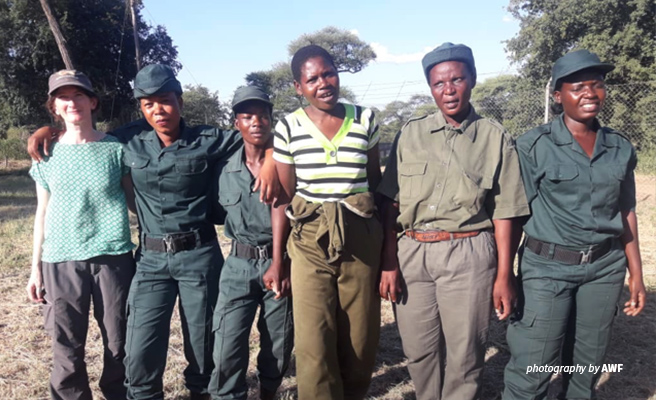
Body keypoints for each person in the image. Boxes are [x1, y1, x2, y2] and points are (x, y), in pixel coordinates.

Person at [27, 64, 278, 400]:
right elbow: (81, 133)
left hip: (199, 257)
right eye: (148, 104)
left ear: (181, 102)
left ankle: (200, 393)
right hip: (150, 261)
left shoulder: (210, 139)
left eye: (165, 100)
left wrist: (275, 154)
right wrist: (46, 130)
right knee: (140, 348)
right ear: (140, 108)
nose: (158, 110)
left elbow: (255, 133)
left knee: (203, 345)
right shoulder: (126, 139)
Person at [377, 42, 530, 400]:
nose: (448, 90)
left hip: (468, 252)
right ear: (430, 88)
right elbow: (390, 203)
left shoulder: (494, 137)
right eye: (438, 84)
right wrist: (389, 262)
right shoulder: (410, 134)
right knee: (418, 350)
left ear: (472, 80)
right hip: (412, 253)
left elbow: (506, 211)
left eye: (457, 79)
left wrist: (504, 275)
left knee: (466, 354)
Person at [502, 49, 647, 400]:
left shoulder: (619, 147)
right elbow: (512, 214)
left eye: (596, 85)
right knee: (533, 368)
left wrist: (636, 272)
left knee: (586, 367)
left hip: (604, 268)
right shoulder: (533, 146)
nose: (589, 93)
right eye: (578, 86)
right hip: (547, 268)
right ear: (557, 96)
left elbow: (626, 209)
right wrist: (504, 274)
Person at [273, 44, 387, 400]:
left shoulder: (365, 119)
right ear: (298, 87)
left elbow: (373, 180)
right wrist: (279, 260)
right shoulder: (288, 128)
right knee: (314, 338)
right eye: (312, 79)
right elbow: (286, 195)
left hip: (360, 236)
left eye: (328, 73)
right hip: (310, 239)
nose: (323, 83)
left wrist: (385, 252)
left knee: (360, 336)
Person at [26, 70, 136, 400]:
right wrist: (35, 269)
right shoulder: (45, 154)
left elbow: (134, 202)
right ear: (54, 107)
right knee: (66, 349)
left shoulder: (116, 149)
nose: (72, 102)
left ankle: (118, 394)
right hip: (60, 261)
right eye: (63, 97)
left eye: (78, 96)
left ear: (92, 102)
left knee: (120, 344)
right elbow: (41, 213)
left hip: (113, 259)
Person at [208, 86, 293, 400]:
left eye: (262, 115)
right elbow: (217, 212)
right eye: (247, 116)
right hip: (238, 265)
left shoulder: (289, 163)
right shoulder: (222, 169)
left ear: (271, 120)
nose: (256, 121)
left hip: (281, 262)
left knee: (278, 344)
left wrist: (280, 262)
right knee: (227, 344)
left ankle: (269, 392)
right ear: (236, 123)